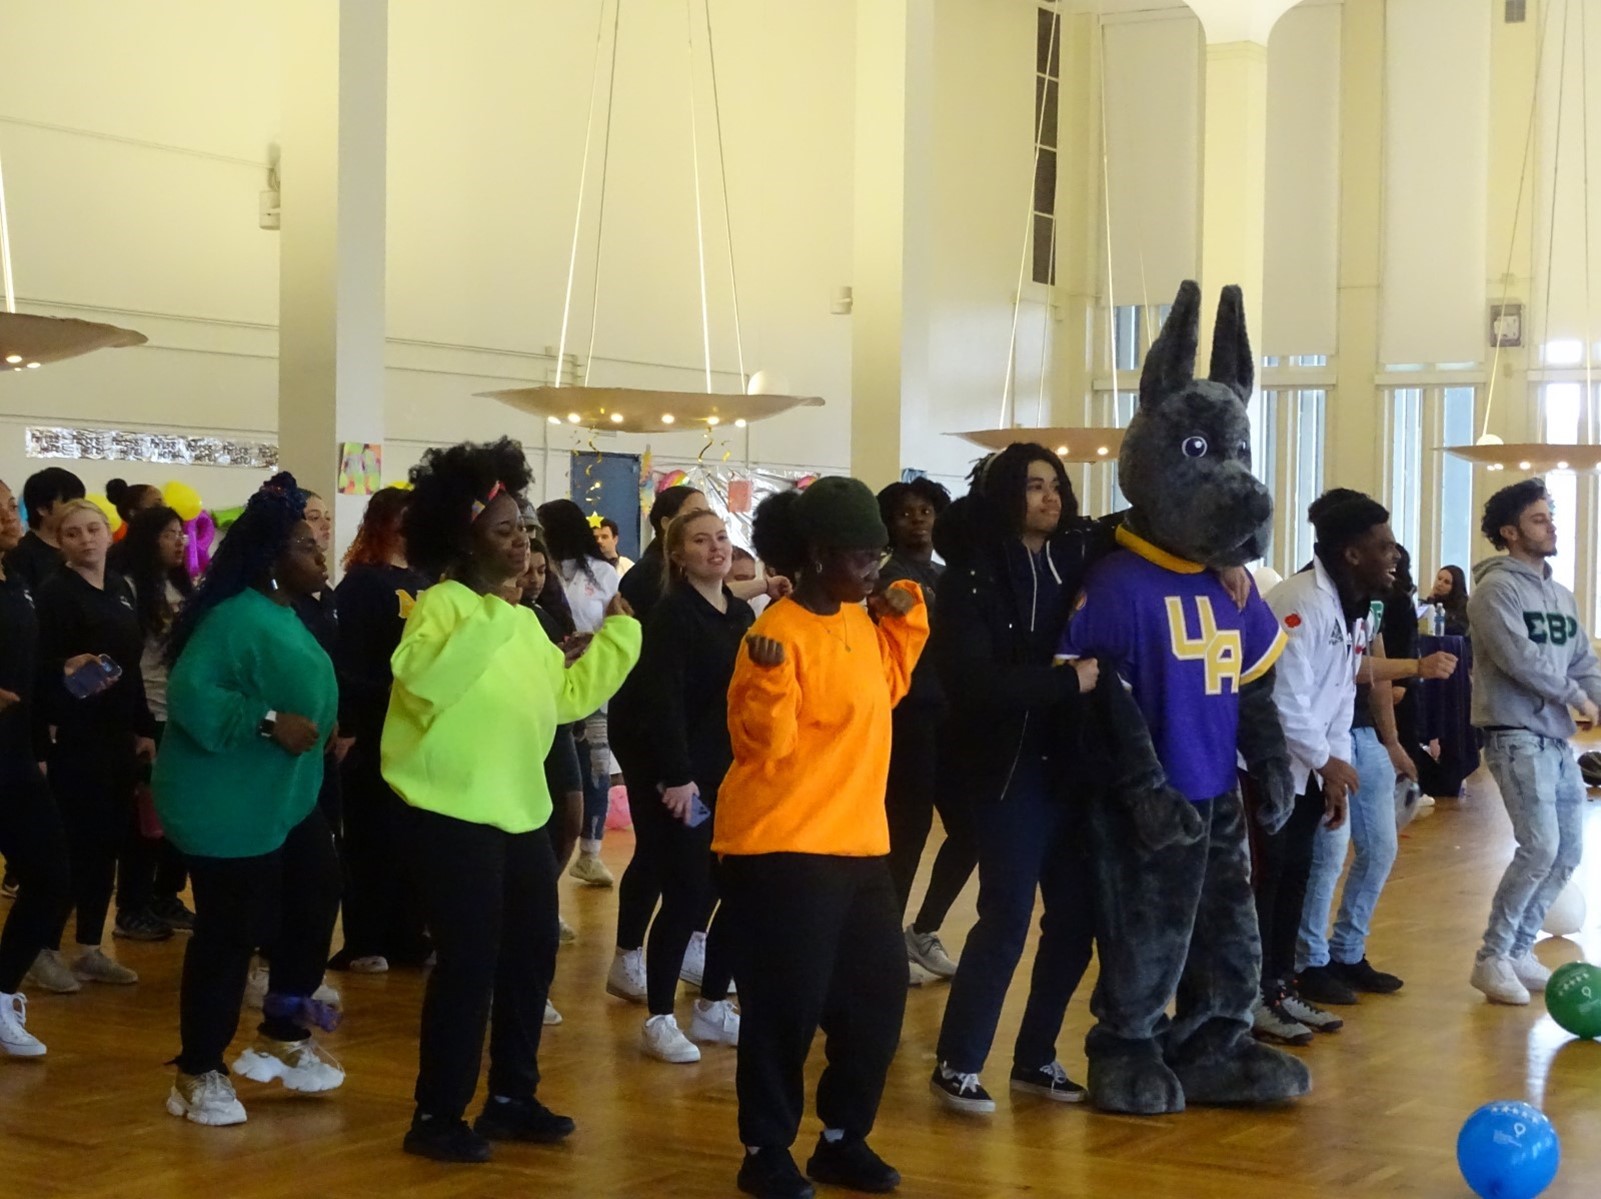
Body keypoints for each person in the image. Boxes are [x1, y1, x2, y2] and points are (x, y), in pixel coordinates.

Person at [385, 439, 640, 1163]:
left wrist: (619, 636)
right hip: (451, 813)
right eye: (505, 529)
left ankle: (510, 1095)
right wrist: (498, 613)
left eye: (526, 529)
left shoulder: (522, 621)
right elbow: (427, 681)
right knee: (467, 965)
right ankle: (435, 1114)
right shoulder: (442, 605)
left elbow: (561, 701)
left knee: (529, 955)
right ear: (463, 538)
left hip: (519, 811)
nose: (523, 541)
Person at [716, 478, 928, 1199]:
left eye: (879, 555)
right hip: (782, 845)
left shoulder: (860, 622)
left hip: (859, 843)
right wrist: (771, 681)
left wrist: (901, 620)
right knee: (785, 1007)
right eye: (862, 556)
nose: (876, 569)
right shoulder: (772, 633)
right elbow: (759, 749)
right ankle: (764, 1149)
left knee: (874, 1002)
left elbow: (887, 687)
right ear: (816, 553)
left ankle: (842, 1139)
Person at [153, 473, 344, 1126]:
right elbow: (190, 694)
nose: (320, 553)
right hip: (224, 802)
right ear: (269, 560)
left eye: (318, 541)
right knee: (230, 931)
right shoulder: (234, 617)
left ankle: (284, 1034)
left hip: (283, 796)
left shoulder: (290, 611)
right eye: (304, 545)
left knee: (315, 899)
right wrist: (268, 720)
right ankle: (197, 1069)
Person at [930, 447, 1103, 1114]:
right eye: (1034, 486)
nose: (1049, 497)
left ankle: (1034, 1057)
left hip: (1068, 765)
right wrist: (1068, 680)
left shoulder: (1076, 554)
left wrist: (1226, 563)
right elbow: (974, 685)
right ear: (1007, 494)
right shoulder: (969, 577)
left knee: (1075, 916)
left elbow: (1141, 524)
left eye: (1056, 485)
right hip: (1002, 769)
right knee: (1004, 915)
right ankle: (958, 1062)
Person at [1278, 501, 1452, 1024]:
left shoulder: (1360, 605)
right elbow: (1288, 698)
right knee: (1292, 875)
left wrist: (1341, 759)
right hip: (1281, 767)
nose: (1394, 555)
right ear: (1351, 553)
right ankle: (1286, 978)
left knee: (1344, 859)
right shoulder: (1299, 601)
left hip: (1327, 755)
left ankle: (1315, 970)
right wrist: (1324, 760)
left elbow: (1340, 689)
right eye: (1383, 545)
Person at [1467, 479, 1601, 1004]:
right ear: (1510, 532)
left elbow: (1583, 660)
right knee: (1539, 846)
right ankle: (1491, 958)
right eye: (1539, 519)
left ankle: (1520, 950)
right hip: (1514, 734)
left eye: (1551, 517)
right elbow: (1519, 658)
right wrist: (1576, 697)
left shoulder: (1560, 595)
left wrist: (1595, 696)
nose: (1551, 527)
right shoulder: (1495, 591)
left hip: (1555, 740)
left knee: (1567, 852)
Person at [629, 508, 749, 1063]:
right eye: (701, 541)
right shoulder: (674, 614)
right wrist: (678, 778)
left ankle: (712, 1005)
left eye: (721, 538)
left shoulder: (742, 612)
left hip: (734, 778)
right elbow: (663, 701)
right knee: (686, 892)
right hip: (689, 783)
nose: (716, 548)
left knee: (734, 890)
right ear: (679, 556)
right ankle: (658, 1015)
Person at [35, 499, 157, 987]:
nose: (86, 539)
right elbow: (41, 668)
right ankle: (42, 947)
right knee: (71, 842)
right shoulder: (55, 594)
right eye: (73, 533)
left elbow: (131, 666)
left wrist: (143, 726)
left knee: (107, 841)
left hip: (114, 735)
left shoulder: (120, 589)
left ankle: (89, 946)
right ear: (61, 542)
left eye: (93, 530)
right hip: (74, 735)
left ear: (110, 534)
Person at [875, 477, 977, 988]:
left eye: (925, 511)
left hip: (952, 718)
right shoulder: (886, 578)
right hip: (909, 718)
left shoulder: (947, 573)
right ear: (890, 524)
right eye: (905, 513)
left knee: (970, 829)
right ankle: (884, 941)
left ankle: (925, 928)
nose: (917, 520)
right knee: (907, 835)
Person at [330, 487, 432, 974]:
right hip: (371, 729)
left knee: (412, 839)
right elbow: (347, 661)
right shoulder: (362, 585)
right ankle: (364, 939)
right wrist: (351, 721)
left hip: (416, 731)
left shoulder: (426, 581)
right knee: (371, 838)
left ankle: (408, 935)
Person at [0, 477, 74, 1054]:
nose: (9, 513)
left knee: (51, 876)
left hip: (14, 756)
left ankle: (0, 995)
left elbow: (24, 673)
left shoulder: (16, 580)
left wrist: (63, 672)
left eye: (8, 504)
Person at [107, 504, 195, 938]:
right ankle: (132, 906)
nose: (179, 540)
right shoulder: (128, 587)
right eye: (168, 534)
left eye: (181, 533)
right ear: (146, 539)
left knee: (178, 814)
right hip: (150, 710)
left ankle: (166, 894)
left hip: (180, 713)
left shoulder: (181, 586)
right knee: (146, 818)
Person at [537, 498, 623, 888]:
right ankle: (551, 870)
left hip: (595, 687)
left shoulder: (605, 574)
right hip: (551, 688)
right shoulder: (541, 571)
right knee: (561, 779)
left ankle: (590, 851)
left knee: (597, 771)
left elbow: (619, 622)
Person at [5, 467, 84, 592]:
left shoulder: (82, 547)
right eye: (70, 503)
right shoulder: (21, 556)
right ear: (42, 509)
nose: (79, 509)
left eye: (81, 502)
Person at [1426, 564, 1471, 636]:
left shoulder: (1464, 605)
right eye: (1439, 578)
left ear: (1455, 586)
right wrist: (1430, 602)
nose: (1440, 584)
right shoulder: (1434, 600)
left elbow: (1454, 629)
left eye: (1446, 582)